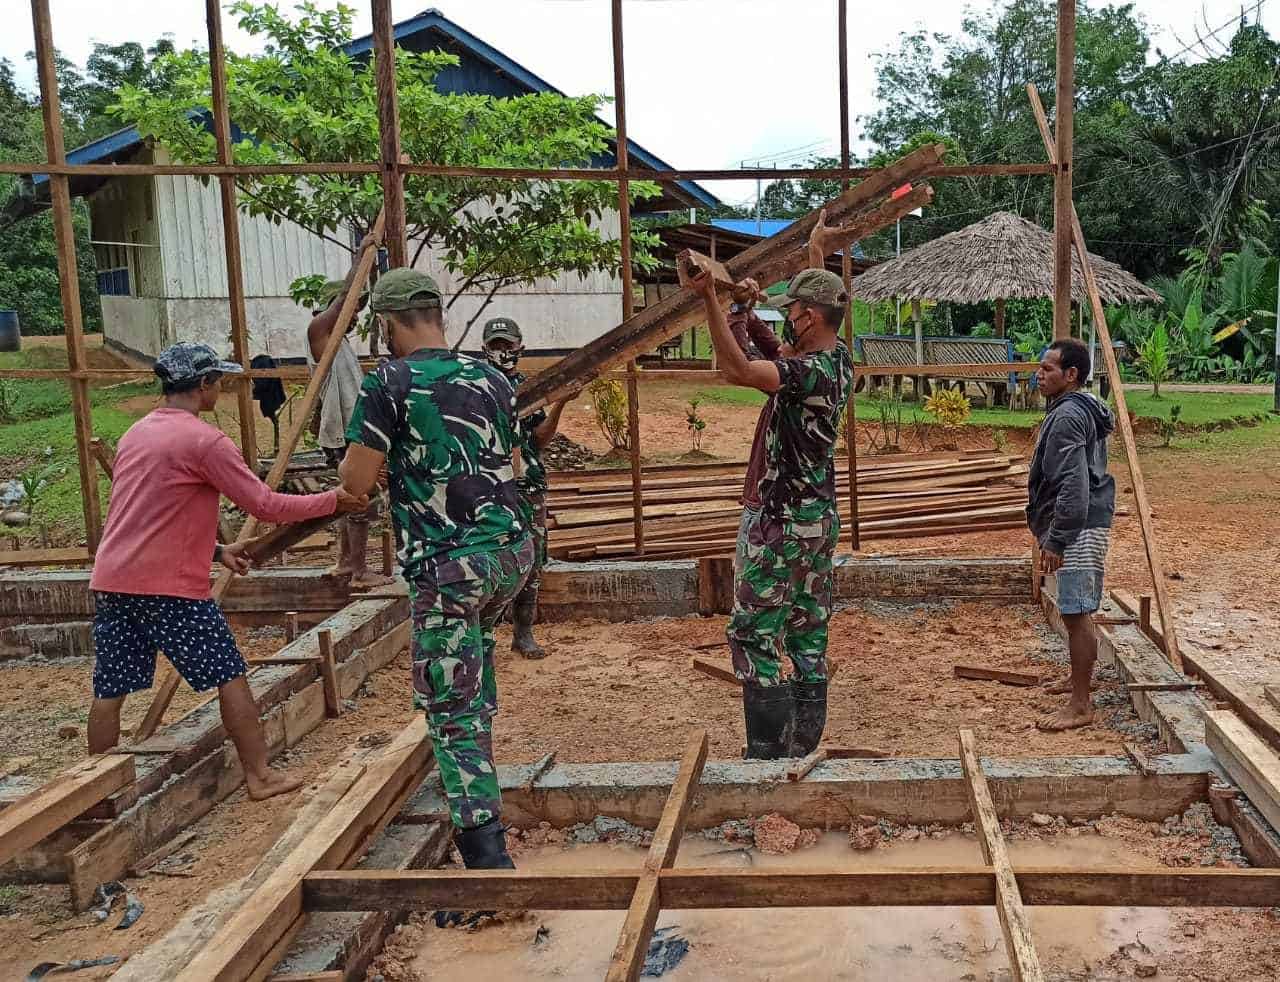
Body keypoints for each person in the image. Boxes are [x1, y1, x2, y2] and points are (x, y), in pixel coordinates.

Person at [88, 342, 368, 801]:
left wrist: (215, 551)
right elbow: (266, 505)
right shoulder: (204, 441)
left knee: (111, 687)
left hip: (115, 580)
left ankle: (93, 794)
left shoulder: (137, 433)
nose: (220, 387)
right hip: (170, 591)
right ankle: (259, 776)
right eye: (218, 380)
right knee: (229, 674)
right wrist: (333, 500)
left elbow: (147, 514)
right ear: (203, 385)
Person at [339, 268, 533, 870]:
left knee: (450, 709)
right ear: (437, 315)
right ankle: (484, 768)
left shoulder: (390, 383)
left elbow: (355, 483)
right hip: (511, 557)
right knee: (473, 665)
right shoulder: (494, 377)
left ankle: (486, 864)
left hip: (450, 568)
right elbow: (519, 466)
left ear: (387, 323)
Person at [689, 211, 854, 760]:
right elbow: (779, 347)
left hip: (779, 522)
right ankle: (804, 741)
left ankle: (767, 750)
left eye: (792, 314)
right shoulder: (838, 360)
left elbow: (739, 370)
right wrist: (747, 308)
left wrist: (708, 299)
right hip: (817, 522)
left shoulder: (805, 373)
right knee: (808, 627)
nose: (785, 322)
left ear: (808, 318)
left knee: (755, 633)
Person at [1027, 338, 1116, 732]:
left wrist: (1058, 537)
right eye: (1040, 367)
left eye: (1048, 369)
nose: (1039, 375)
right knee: (1076, 608)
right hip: (1085, 518)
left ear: (1072, 375)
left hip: (1078, 523)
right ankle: (1076, 682)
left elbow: (1074, 484)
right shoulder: (1082, 407)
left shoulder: (1067, 416)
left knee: (1076, 612)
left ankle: (1081, 704)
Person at [480, 316, 576, 659]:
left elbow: (539, 440)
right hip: (490, 491)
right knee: (489, 562)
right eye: (496, 346)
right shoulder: (476, 387)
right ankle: (483, 634)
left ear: (520, 348)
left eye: (508, 345)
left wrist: (562, 402)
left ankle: (523, 634)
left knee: (531, 561)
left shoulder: (527, 388)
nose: (503, 352)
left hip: (529, 488)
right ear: (484, 349)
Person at [306, 241, 393, 589]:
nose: (355, 317)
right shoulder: (319, 334)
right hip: (342, 435)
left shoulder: (340, 345)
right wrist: (360, 263)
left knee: (353, 496)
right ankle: (357, 569)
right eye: (350, 310)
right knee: (362, 498)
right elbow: (343, 301)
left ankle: (347, 564)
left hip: (348, 432)